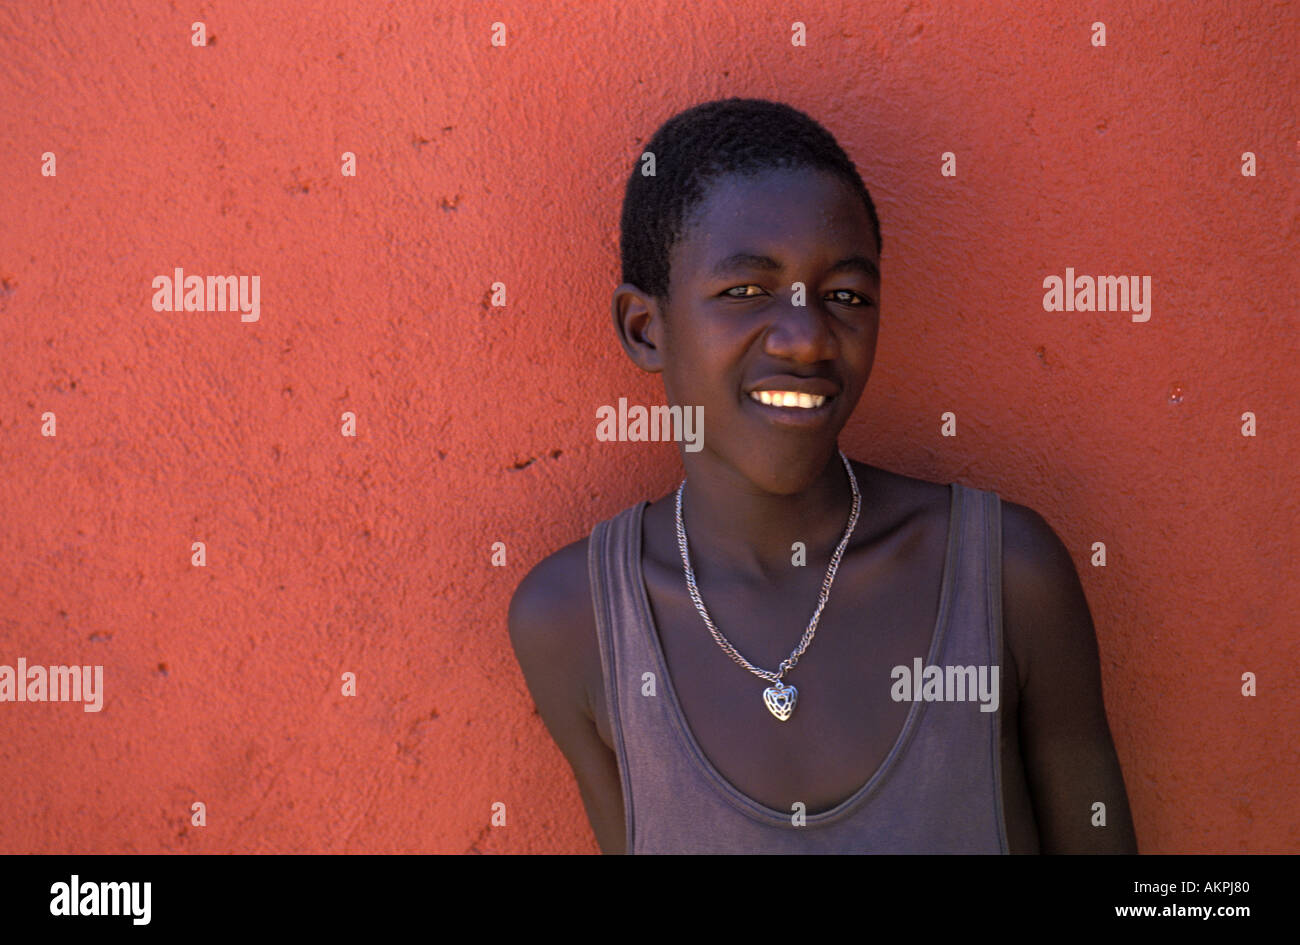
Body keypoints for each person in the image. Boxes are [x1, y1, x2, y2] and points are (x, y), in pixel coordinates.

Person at [508, 97, 1137, 854]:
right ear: (646, 329)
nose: (807, 337)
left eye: (846, 295)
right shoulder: (574, 623)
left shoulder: (1006, 576)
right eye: (745, 291)